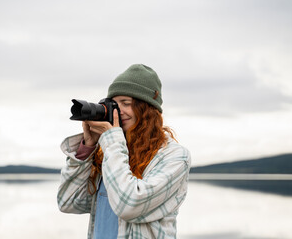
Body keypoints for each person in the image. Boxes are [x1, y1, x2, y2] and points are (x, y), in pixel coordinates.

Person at [57, 64, 191, 239]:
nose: (118, 111)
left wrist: (111, 140)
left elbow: (129, 205)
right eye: (114, 103)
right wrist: (87, 148)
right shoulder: (109, 154)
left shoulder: (174, 157)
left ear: (147, 110)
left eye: (126, 103)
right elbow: (68, 202)